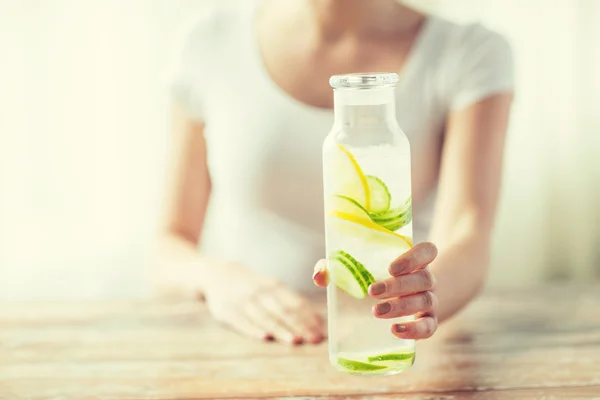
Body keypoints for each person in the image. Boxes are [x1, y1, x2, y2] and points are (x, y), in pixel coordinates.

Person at [158, 0, 514, 345]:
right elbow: (169, 243)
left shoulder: (468, 50)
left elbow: (467, 235)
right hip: (244, 341)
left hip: (386, 338)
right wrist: (219, 280)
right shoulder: (210, 40)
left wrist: (426, 295)